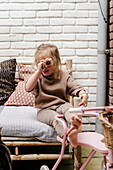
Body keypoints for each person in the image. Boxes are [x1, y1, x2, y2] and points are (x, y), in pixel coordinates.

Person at [25, 43, 88, 147]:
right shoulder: (37, 77)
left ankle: (74, 125)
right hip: (44, 109)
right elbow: (28, 87)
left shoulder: (63, 75)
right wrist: (38, 71)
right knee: (55, 118)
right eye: (40, 63)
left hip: (61, 104)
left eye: (48, 62)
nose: (44, 67)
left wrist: (82, 93)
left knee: (69, 108)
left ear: (56, 61)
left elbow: (75, 87)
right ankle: (67, 136)